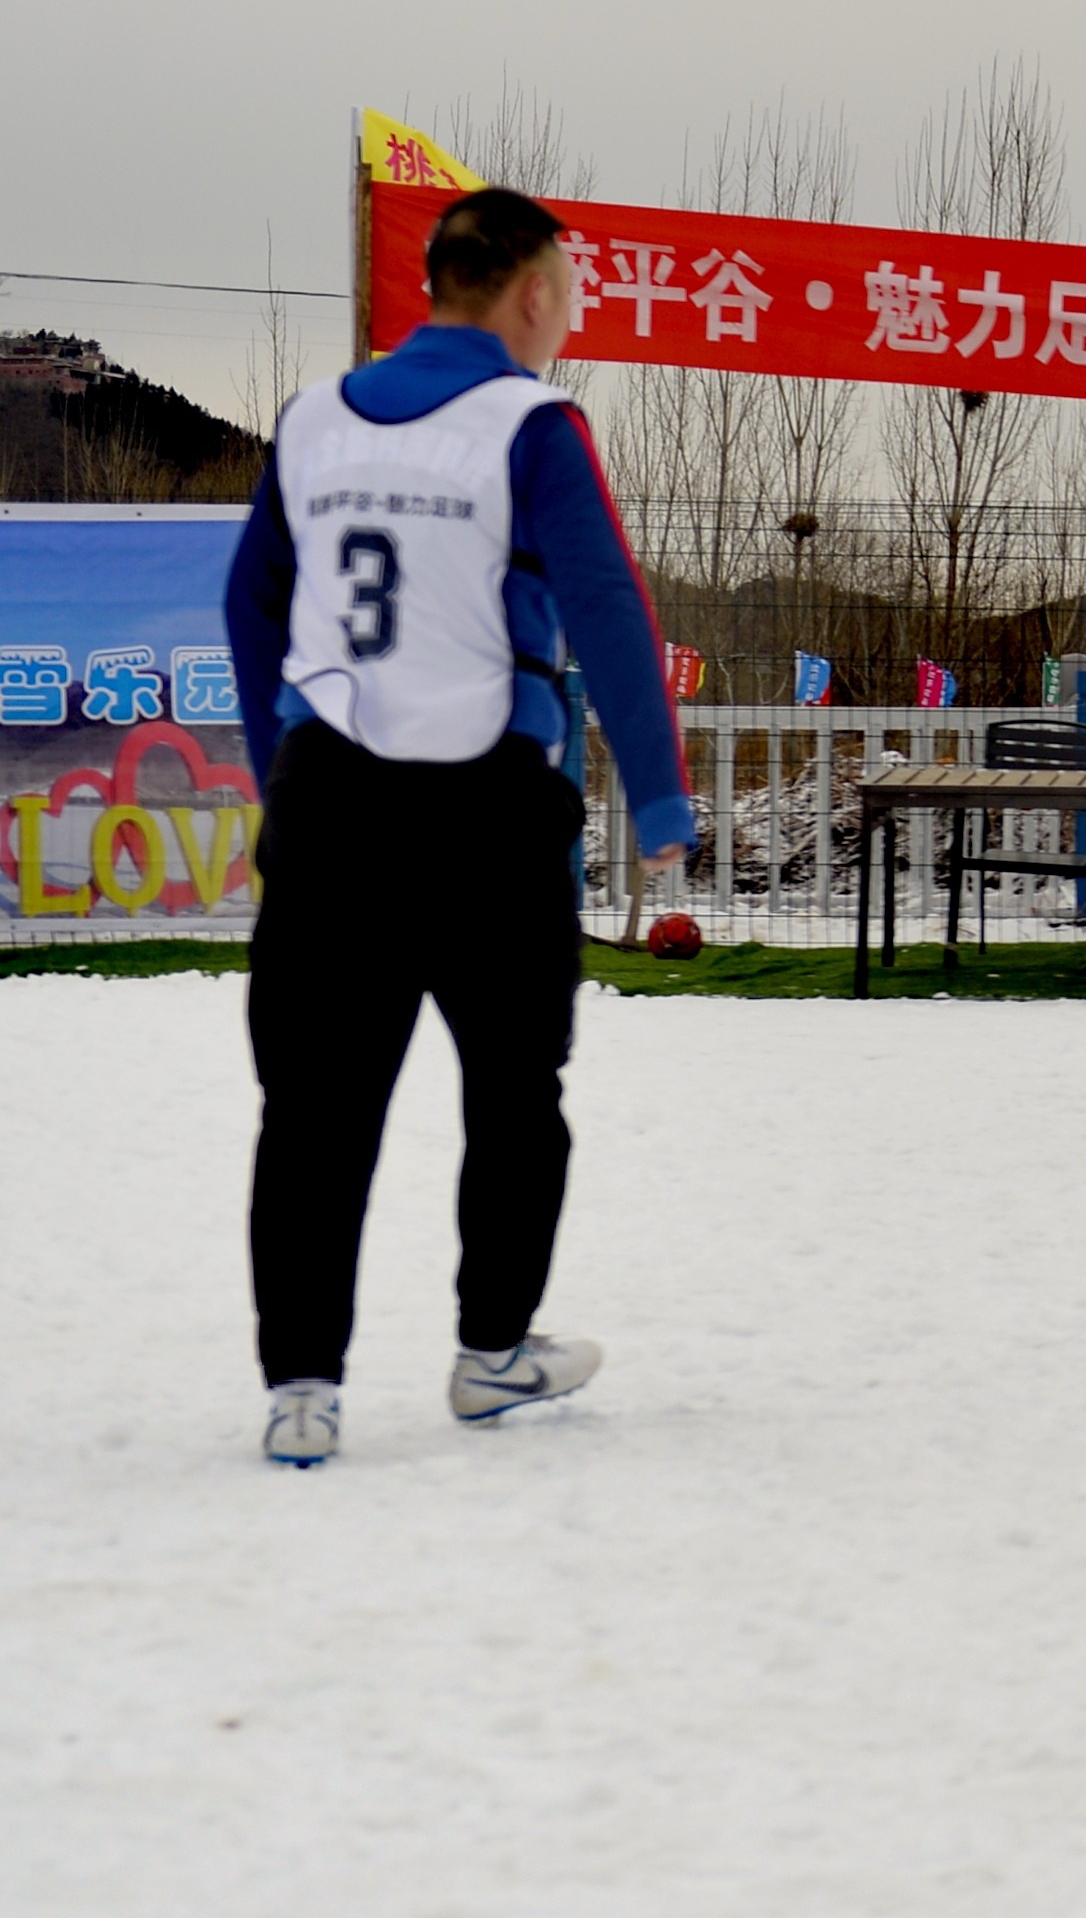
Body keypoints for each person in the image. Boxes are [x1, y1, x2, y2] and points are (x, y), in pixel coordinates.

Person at [224, 188, 697, 1467]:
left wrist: (291, 766)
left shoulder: (311, 422)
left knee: (313, 1104)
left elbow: (251, 601)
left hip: (333, 809)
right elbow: (605, 603)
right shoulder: (529, 424)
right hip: (486, 810)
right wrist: (659, 800)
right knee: (515, 1087)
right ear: (533, 293)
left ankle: (302, 1388)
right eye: (571, 289)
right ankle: (493, 1352)